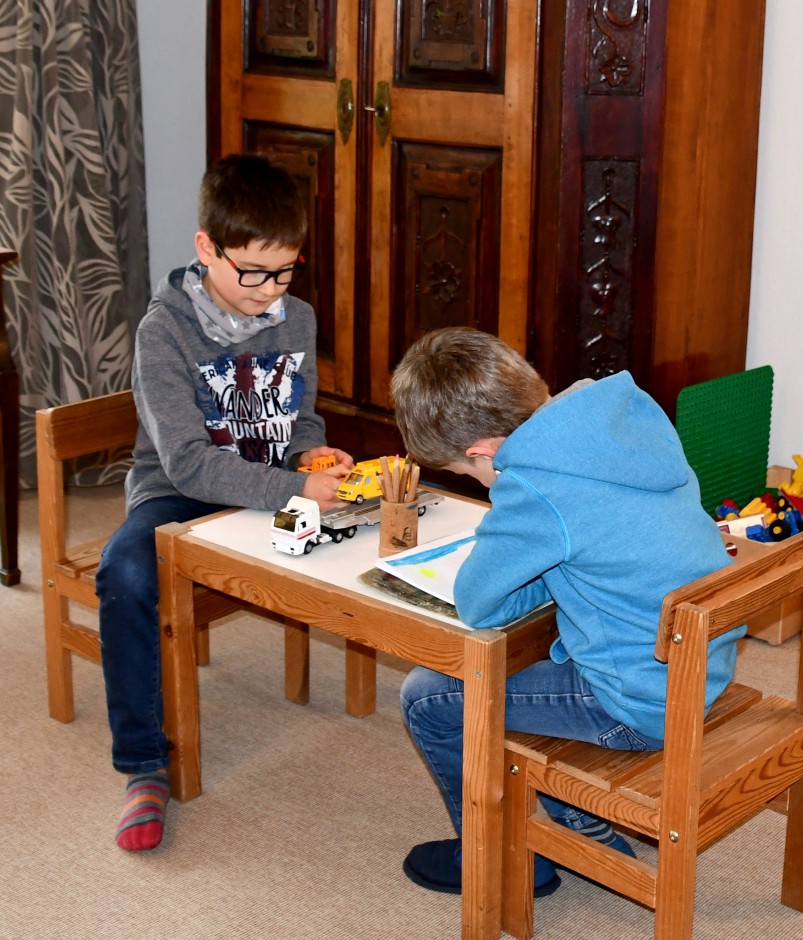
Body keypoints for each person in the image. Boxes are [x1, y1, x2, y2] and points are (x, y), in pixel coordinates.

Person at [389, 327, 744, 897]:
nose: (481, 485)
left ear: (485, 451)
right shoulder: (618, 414)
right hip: (701, 665)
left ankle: (501, 861)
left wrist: (521, 555)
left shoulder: (536, 484)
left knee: (430, 695)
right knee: (514, 682)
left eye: (469, 474)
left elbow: (480, 605)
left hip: (639, 701)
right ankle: (572, 821)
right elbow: (594, 546)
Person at [95, 153, 354, 852]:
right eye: (253, 272)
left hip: (271, 486)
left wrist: (312, 453)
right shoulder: (164, 332)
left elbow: (300, 417)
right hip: (180, 496)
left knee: (372, 540)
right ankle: (145, 765)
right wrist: (295, 486)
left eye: (286, 271)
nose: (269, 292)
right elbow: (185, 461)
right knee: (123, 575)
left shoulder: (293, 317)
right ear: (206, 247)